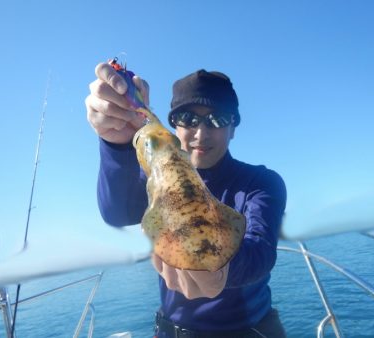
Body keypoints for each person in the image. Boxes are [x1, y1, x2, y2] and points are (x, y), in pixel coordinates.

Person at [85, 62, 287, 338]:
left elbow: (260, 254)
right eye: (189, 119)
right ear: (174, 126)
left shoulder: (261, 183)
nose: (201, 134)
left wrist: (219, 267)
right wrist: (116, 143)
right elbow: (117, 213)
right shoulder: (154, 185)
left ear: (233, 127)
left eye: (217, 119)